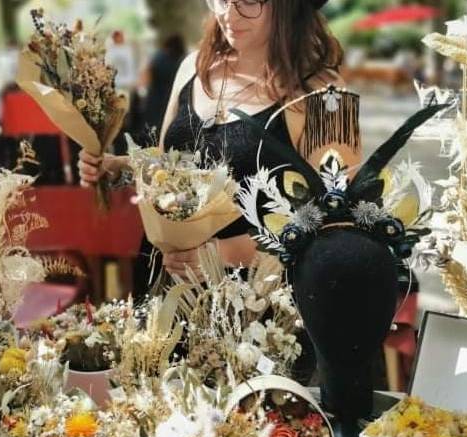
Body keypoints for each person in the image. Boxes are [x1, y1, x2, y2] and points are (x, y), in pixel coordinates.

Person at [79, 0, 359, 295]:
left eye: (249, 1)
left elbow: (333, 217)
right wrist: (118, 168)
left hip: (257, 306)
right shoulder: (193, 66)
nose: (228, 13)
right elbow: (167, 165)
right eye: (222, 0)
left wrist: (223, 253)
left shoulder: (326, 95)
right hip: (166, 284)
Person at [138, 34, 187, 140]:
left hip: (154, 98)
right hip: (173, 98)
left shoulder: (158, 56)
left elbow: (147, 76)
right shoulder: (182, 60)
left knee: (151, 130)